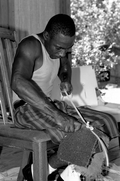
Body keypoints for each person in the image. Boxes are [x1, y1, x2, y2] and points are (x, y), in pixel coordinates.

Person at [11, 14, 119, 174]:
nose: (63, 53)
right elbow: (18, 82)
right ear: (46, 36)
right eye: (59, 48)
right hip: (27, 109)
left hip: (50, 105)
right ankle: (48, 172)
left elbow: (65, 66)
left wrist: (65, 79)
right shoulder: (31, 45)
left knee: (105, 122)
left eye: (67, 48)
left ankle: (45, 169)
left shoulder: (59, 48)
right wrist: (58, 116)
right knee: (84, 133)